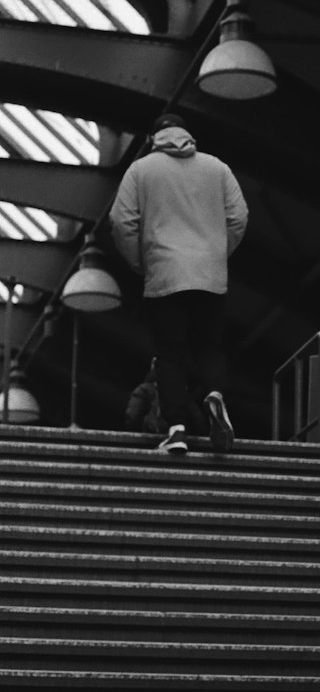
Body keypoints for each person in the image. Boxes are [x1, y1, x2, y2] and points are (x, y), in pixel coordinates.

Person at [109, 112, 248, 455]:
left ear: (155, 137)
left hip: (165, 274)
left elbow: (121, 221)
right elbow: (239, 216)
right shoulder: (217, 167)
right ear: (186, 134)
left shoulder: (141, 170)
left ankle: (176, 429)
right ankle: (214, 393)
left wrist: (140, 262)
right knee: (209, 347)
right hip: (209, 276)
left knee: (170, 354)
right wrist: (216, 252)